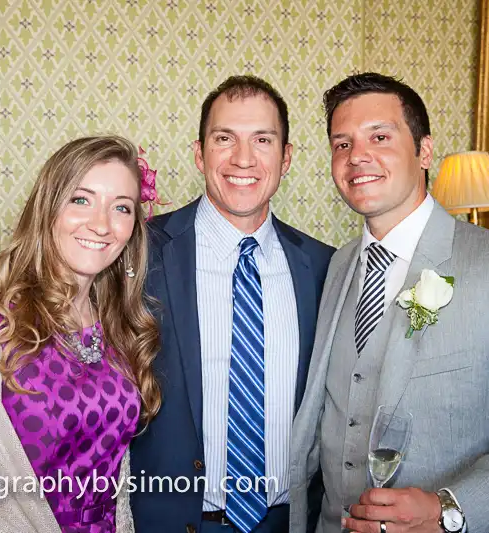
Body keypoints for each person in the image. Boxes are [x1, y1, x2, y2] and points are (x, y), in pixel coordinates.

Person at [287, 73, 489, 533]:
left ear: (424, 151)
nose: (357, 156)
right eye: (341, 144)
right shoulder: (337, 265)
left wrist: (449, 509)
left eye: (379, 137)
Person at [0, 135, 161, 533]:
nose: (101, 224)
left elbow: (116, 485)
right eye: (81, 200)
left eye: (121, 208)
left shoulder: (118, 327)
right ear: (48, 208)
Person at [128, 75, 335, 532]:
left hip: (292, 521)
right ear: (200, 153)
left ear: (286, 158)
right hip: (174, 520)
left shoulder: (326, 268)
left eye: (263, 140)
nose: (244, 158)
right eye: (225, 139)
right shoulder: (138, 253)